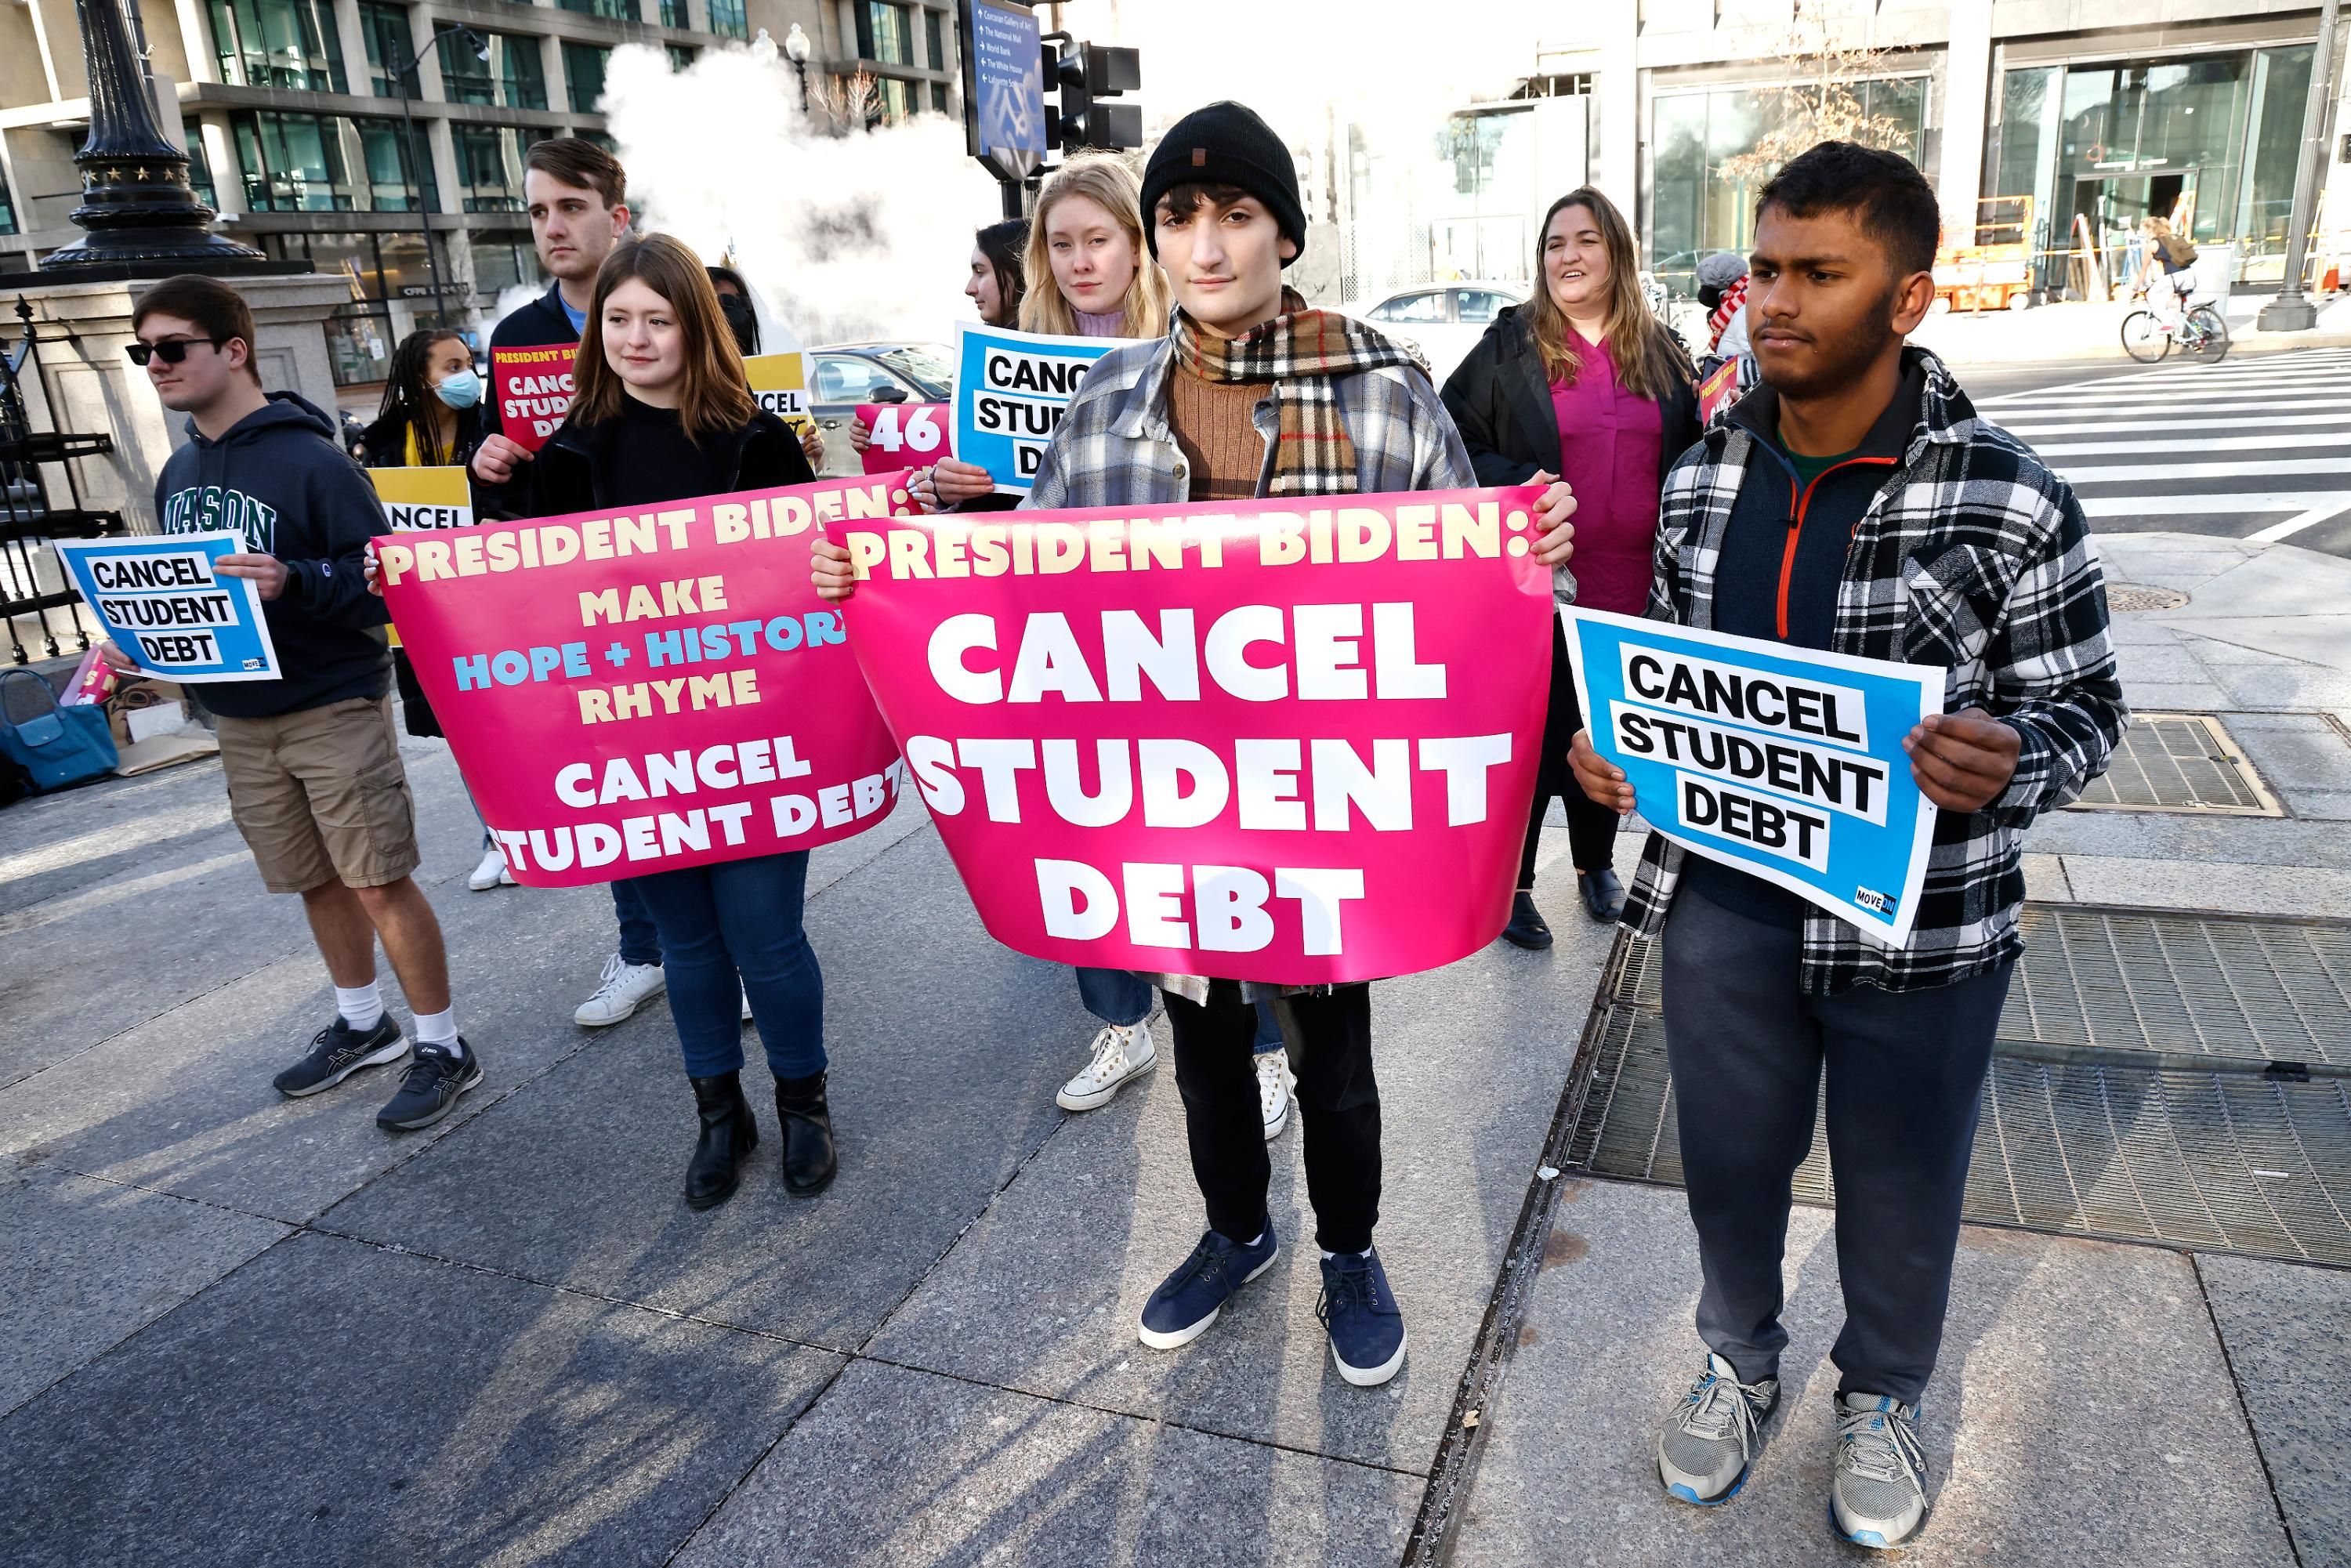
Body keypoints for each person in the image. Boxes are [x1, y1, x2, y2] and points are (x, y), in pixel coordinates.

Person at [816, 101, 1579, 1388]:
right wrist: (882, 571)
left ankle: (1349, 1252)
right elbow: (1020, 586)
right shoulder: (1109, 398)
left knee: (1333, 1061)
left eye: (1234, 216)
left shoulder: (1379, 384)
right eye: (1180, 216)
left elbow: (1468, 586)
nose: (1207, 244)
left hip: (1331, 801)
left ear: (1285, 230)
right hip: (1166, 802)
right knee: (1208, 1051)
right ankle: (1236, 1231)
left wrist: (1529, 549)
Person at [1560, 143, 2124, 1548]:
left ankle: (1883, 1392)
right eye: (1765, 269)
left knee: (1901, 1179)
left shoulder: (2010, 499)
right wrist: (1615, 759)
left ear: (1910, 297)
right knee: (1732, 1165)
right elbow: (1667, 689)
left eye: (1823, 274)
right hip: (1726, 914)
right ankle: (1739, 1360)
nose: (1779, 303)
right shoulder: (1702, 483)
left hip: (1921, 927)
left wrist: (2014, 763)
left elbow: (2088, 710)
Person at [915, 159, 1265, 1126]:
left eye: (1096, 239)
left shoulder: (1200, 335)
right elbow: (1013, 529)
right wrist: (953, 495)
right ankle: (1121, 1020)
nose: (1078, 261)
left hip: (1204, 647)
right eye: (1059, 244)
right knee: (1094, 843)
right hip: (1078, 658)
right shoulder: (1008, 359)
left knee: (1240, 852)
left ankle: (1266, 1042)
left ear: (1139, 242)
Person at [110, 276, 484, 1131]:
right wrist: (146, 639)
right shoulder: (179, 472)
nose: (156, 365)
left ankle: (442, 1043)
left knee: (378, 877)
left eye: (172, 347)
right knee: (312, 879)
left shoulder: (314, 461)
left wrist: (297, 580)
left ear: (232, 350)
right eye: (144, 353)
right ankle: (365, 1024)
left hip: (331, 704)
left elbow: (385, 586)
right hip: (242, 716)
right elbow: (196, 598)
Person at [527, 233, 833, 1208]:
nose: (636, 336)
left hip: (755, 738)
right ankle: (717, 1113)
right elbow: (519, 600)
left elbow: (814, 586)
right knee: (689, 947)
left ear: (695, 326)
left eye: (658, 318)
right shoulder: (568, 455)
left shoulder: (757, 440)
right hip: (631, 747)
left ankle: (803, 1105)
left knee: (768, 938)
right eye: (618, 319)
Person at [1442, 186, 1697, 948]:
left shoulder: (1662, 353)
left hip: (1635, 591)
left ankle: (1595, 865)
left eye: (1585, 241)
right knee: (1533, 736)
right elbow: (1451, 438)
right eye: (1555, 243)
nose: (1569, 256)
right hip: (1541, 592)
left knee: (1608, 731)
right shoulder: (1512, 346)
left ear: (1615, 252)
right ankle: (1515, 886)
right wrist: (1520, 482)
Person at [460, 137, 665, 1030]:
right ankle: (643, 946)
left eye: (570, 207)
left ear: (615, 217)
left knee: (707, 767)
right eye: (538, 210)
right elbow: (515, 504)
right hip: (580, 601)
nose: (552, 226)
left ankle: (725, 950)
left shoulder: (675, 302)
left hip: (682, 585)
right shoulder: (518, 337)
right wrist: (490, 465)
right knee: (617, 775)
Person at [357, 328, 511, 893]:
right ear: (418, 379)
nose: (465, 375)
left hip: (492, 604)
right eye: (450, 365)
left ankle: (517, 833)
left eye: (468, 362)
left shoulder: (493, 433)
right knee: (461, 727)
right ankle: (498, 837)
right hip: (423, 614)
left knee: (503, 721)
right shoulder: (378, 447)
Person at [709, 263, 828, 473]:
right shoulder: (676, 387)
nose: (734, 312)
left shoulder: (775, 379)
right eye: (724, 302)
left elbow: (812, 463)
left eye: (740, 302)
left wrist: (812, 454)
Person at [2136, 215, 2198, 327]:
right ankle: (2201, 336)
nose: (2142, 233)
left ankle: (2167, 324)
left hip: (2175, 277)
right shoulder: (2173, 238)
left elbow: (2143, 271)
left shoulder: (2152, 245)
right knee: (2188, 309)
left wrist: (2135, 288)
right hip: (2189, 274)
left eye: (2143, 231)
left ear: (2150, 230)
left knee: (2152, 295)